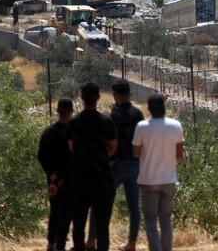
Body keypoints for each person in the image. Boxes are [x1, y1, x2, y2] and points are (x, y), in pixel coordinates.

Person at [87, 78, 144, 251]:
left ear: (114, 95)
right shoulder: (138, 114)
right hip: (135, 164)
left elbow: (108, 141)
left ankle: (92, 241)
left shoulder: (113, 116)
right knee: (134, 207)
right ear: (130, 94)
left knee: (100, 203)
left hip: (116, 165)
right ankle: (132, 243)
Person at [67, 82, 118, 251]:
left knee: (79, 224)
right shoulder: (106, 121)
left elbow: (71, 146)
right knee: (102, 225)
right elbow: (113, 147)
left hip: (80, 178)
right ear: (98, 97)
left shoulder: (74, 122)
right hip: (102, 178)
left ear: (81, 98)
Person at [132, 95, 184, 251]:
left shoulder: (141, 126)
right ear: (164, 108)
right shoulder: (176, 125)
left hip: (148, 180)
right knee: (166, 219)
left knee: (150, 220)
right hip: (169, 179)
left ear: (149, 109)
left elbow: (136, 153)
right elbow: (179, 155)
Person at [38, 98, 74, 251]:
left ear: (58, 111)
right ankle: (60, 244)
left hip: (53, 180)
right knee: (67, 213)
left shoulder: (48, 132)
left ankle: (51, 243)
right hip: (70, 178)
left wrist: (51, 174)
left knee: (55, 210)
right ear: (71, 112)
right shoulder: (73, 133)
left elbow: (41, 156)